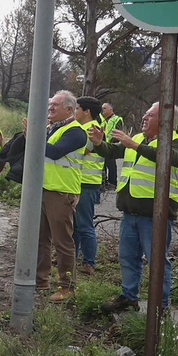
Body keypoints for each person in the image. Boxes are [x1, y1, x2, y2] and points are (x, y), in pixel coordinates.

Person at [91, 103, 178, 313]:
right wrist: (100, 143)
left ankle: (159, 306)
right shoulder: (137, 139)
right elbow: (113, 150)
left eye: (150, 115)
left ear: (166, 121)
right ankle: (129, 297)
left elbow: (176, 159)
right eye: (145, 114)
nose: (144, 117)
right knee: (128, 257)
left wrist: (135, 146)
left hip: (156, 216)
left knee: (157, 261)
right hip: (130, 213)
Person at [37, 91, 87, 301]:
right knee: (40, 239)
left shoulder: (75, 132)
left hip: (61, 192)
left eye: (55, 105)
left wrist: (34, 137)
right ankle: (40, 280)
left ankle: (67, 286)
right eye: (50, 104)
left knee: (62, 242)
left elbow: (55, 152)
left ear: (69, 109)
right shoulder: (52, 128)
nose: (50, 108)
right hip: (44, 189)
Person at [73, 96, 106, 276]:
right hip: (78, 181)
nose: (74, 111)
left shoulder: (92, 130)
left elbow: (81, 152)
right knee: (75, 224)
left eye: (77, 108)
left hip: (87, 182)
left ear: (87, 112)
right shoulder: (81, 128)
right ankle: (72, 256)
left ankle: (89, 262)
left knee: (84, 224)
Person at [98, 101, 123, 189]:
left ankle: (112, 182)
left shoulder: (117, 119)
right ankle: (104, 182)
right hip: (102, 144)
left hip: (112, 145)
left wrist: (113, 143)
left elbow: (119, 131)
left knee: (111, 164)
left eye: (104, 108)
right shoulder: (101, 119)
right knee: (103, 165)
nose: (102, 110)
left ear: (110, 109)